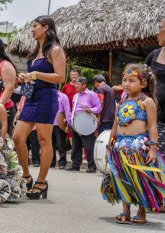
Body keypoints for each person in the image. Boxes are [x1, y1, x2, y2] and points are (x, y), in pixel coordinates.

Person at [103, 63, 165, 224]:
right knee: (122, 179)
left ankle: (141, 212)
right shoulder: (122, 101)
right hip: (119, 148)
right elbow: (115, 126)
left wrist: (152, 148)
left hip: (138, 149)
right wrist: (109, 146)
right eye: (124, 80)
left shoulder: (147, 101)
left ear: (143, 84)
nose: (126, 84)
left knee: (140, 180)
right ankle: (125, 210)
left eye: (131, 81)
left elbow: (152, 126)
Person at [14, 16, 66, 199]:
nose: (32, 29)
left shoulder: (55, 50)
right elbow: (33, 76)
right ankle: (26, 176)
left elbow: (60, 77)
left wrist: (35, 74)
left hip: (47, 97)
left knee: (44, 140)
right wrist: (25, 77)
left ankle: (42, 182)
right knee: (18, 137)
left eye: (35, 26)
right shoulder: (33, 51)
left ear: (46, 28)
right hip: (31, 97)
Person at [65, 77, 101, 173]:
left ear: (84, 85)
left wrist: (91, 110)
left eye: (77, 84)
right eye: (75, 84)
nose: (75, 86)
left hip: (86, 124)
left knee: (89, 145)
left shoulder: (91, 94)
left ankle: (91, 166)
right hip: (75, 123)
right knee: (76, 145)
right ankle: (75, 164)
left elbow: (98, 107)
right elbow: (73, 109)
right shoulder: (75, 96)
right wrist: (69, 123)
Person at [145, 16, 165, 155]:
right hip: (153, 123)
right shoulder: (153, 55)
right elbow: (142, 82)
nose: (157, 33)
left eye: (160, 27)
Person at [51, 89, 71, 169]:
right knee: (50, 144)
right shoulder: (48, 97)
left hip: (59, 123)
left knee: (61, 144)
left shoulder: (63, 97)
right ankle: (51, 162)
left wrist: (68, 124)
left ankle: (62, 162)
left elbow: (67, 110)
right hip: (49, 123)